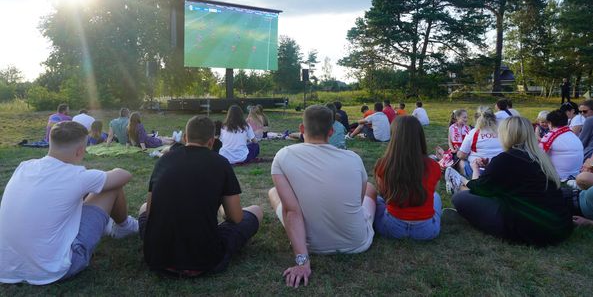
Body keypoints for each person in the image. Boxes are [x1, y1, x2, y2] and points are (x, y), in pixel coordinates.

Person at [0, 121, 138, 285]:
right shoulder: (76, 175)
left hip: (7, 266)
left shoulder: (24, 166)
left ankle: (109, 223)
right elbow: (124, 175)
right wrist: (103, 178)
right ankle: (124, 227)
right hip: (53, 269)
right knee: (110, 188)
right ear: (80, 151)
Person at [268, 105, 376, 288]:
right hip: (356, 242)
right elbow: (357, 202)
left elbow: (291, 211)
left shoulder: (283, 156)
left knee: (273, 192)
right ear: (332, 131)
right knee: (370, 189)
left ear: (302, 129)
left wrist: (302, 262)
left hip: (310, 245)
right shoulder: (353, 158)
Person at [140, 116, 262, 276]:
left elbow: (150, 211)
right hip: (205, 260)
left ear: (185, 137)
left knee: (142, 207)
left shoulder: (163, 161)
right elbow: (236, 218)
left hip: (157, 258)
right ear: (211, 142)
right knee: (256, 211)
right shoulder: (221, 163)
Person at [447, 117, 573, 246]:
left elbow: (479, 189)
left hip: (531, 229)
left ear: (505, 135)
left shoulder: (506, 158)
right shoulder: (540, 157)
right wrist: (490, 166)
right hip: (560, 226)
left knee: (461, 197)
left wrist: (474, 171)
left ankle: (457, 188)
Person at [373, 116, 442, 240]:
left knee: (376, 199)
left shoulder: (383, 164)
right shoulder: (434, 166)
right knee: (436, 197)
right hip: (427, 231)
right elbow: (433, 191)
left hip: (391, 228)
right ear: (420, 137)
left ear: (394, 137)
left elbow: (383, 192)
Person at [457, 106, 503, 178]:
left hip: (479, 170)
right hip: (500, 168)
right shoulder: (502, 131)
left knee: (461, 162)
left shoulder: (473, 133)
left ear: (476, 118)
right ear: (494, 118)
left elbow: (461, 155)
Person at [539, 110, 583, 181]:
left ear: (550, 123)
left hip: (560, 176)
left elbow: (538, 154)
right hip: (576, 174)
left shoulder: (550, 135)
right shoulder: (572, 134)